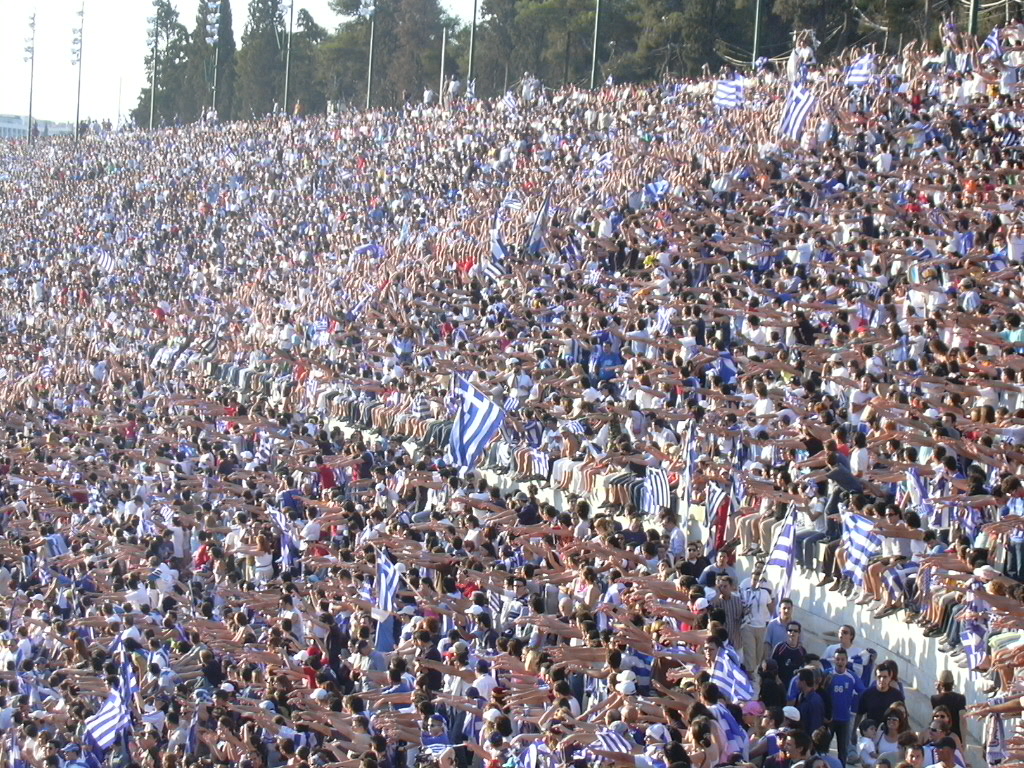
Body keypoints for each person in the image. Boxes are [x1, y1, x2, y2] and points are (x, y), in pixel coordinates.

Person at [772, 621, 808, 689]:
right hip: (778, 684)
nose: (792, 633)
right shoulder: (780, 647)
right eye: (790, 630)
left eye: (795, 631)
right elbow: (772, 666)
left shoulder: (802, 651)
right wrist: (777, 679)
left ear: (799, 633)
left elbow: (804, 670)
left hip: (794, 686)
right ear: (786, 632)